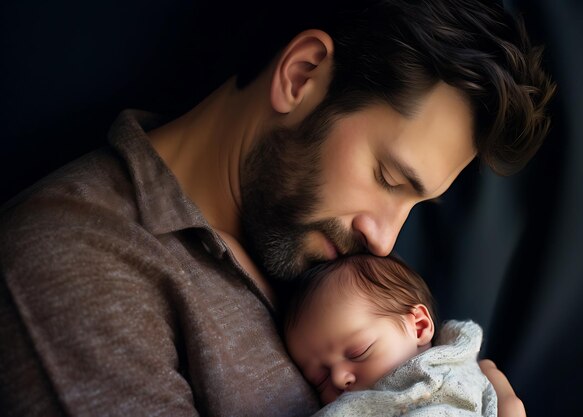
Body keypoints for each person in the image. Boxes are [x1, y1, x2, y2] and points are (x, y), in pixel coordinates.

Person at [0, 1, 554, 416]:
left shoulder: (316, 258)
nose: (385, 239)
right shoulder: (82, 261)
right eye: (387, 178)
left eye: (416, 202)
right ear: (302, 75)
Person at [283, 254, 496, 416]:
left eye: (358, 352)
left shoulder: (442, 381)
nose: (338, 378)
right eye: (320, 380)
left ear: (419, 327)